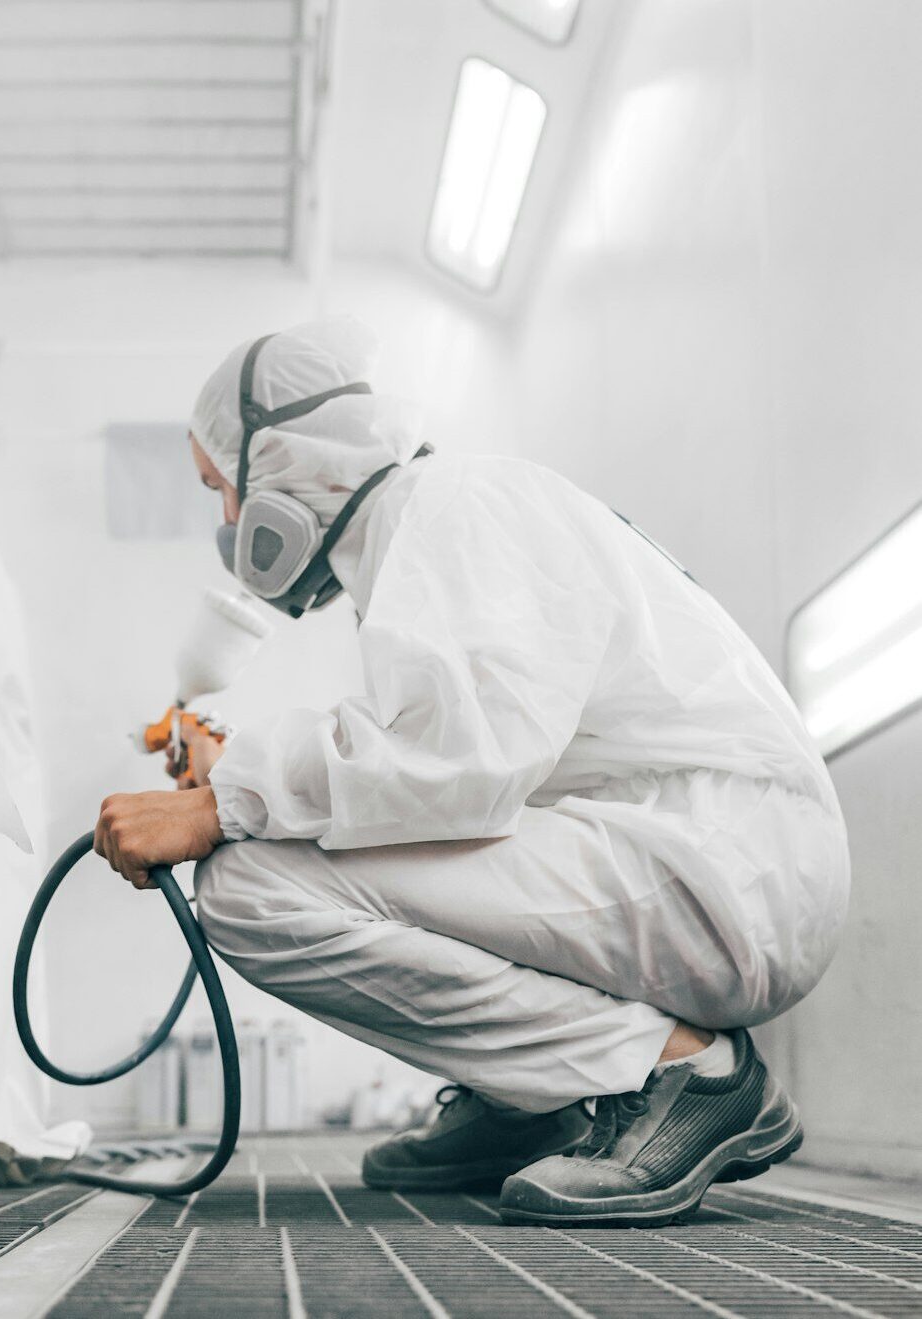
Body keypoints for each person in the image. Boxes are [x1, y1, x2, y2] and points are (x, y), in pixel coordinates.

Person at [93, 317, 850, 1225]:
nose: (227, 521)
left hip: (722, 864)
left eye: (220, 486)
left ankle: (680, 1070)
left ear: (281, 452)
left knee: (251, 886)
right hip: (698, 853)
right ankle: (532, 1100)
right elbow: (446, 756)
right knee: (275, 849)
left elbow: (458, 763)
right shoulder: (429, 525)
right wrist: (234, 780)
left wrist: (228, 803)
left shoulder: (452, 505)